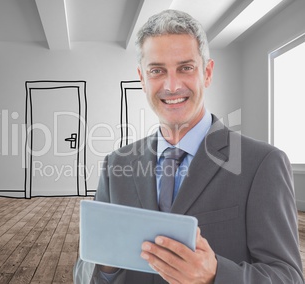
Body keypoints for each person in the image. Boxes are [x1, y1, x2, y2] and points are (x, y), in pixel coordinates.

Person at [73, 9, 304, 284]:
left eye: (185, 68)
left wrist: (215, 274)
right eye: (157, 71)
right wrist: (105, 265)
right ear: (142, 79)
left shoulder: (261, 163)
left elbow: (287, 277)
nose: (171, 85)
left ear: (206, 73)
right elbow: (85, 272)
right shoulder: (116, 164)